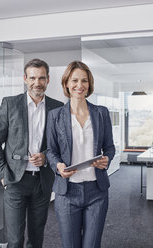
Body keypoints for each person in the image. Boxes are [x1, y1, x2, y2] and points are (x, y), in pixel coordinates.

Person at [0, 58, 64, 248]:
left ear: (47, 80)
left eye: (41, 78)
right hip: (14, 180)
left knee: (37, 238)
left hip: (42, 181)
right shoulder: (10, 104)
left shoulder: (58, 107)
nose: (36, 83)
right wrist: (3, 175)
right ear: (25, 78)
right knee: (14, 239)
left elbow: (62, 144)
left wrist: (45, 155)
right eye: (32, 78)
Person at [46, 61, 115, 248]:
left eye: (84, 80)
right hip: (67, 192)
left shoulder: (101, 113)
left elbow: (110, 147)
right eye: (74, 80)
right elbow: (51, 150)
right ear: (66, 83)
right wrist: (58, 165)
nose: (79, 85)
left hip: (97, 192)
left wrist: (107, 159)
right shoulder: (55, 115)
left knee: (92, 245)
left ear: (89, 84)